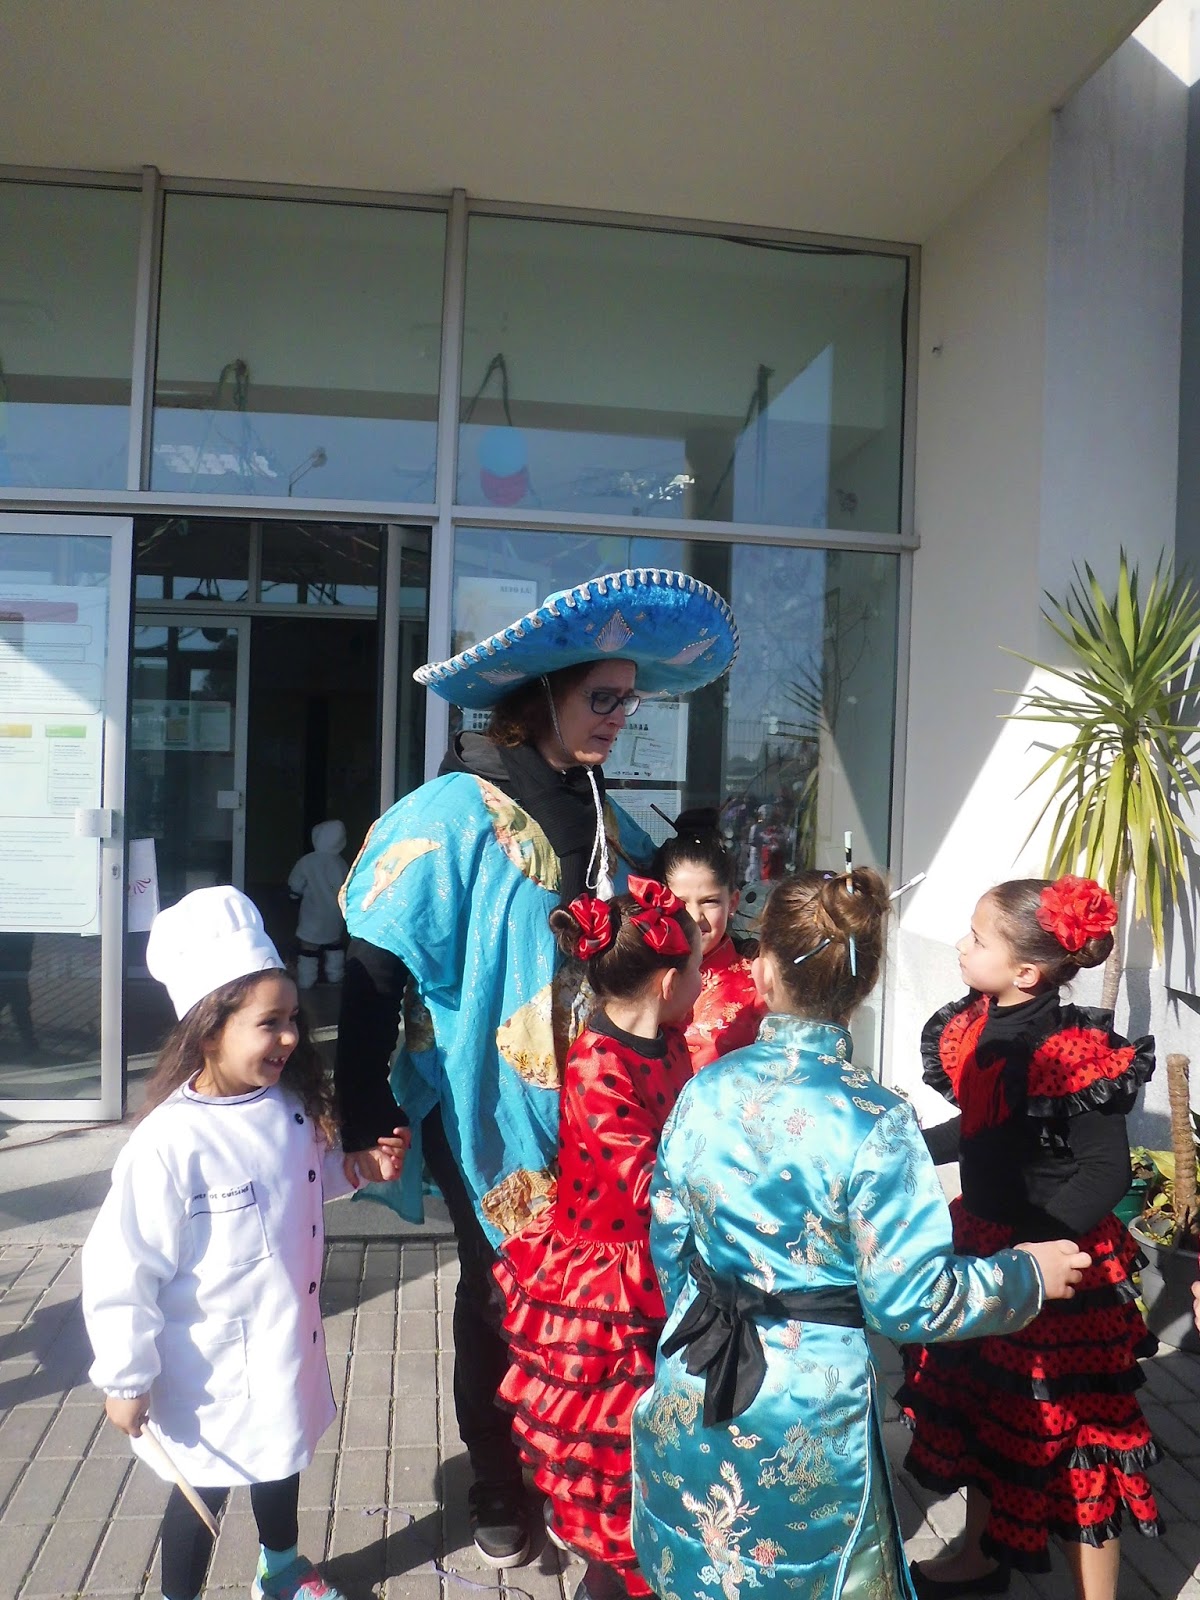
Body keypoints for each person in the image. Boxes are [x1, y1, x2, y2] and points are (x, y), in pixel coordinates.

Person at [334, 568, 739, 1566]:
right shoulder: (449, 811)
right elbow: (373, 961)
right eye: (603, 697)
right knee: (497, 1288)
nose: (619, 717)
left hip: (599, 1103)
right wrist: (365, 1104)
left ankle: (575, 1466)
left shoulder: (599, 807)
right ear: (543, 694)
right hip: (487, 1103)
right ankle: (497, 1477)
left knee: (585, 1295)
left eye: (628, 701)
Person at [630, 867, 1093, 1600]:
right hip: (808, 1405)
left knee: (705, 1566)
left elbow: (670, 1237)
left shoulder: (704, 1087)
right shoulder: (875, 1119)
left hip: (698, 1366)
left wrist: (698, 1322)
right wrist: (1025, 1274)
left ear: (763, 970)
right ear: (865, 984)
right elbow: (910, 1301)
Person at [82, 887, 406, 1600]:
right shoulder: (170, 1143)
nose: (290, 1037)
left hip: (284, 1345)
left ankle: (280, 1569)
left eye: (292, 1019)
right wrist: (126, 1377)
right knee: (201, 1490)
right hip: (208, 1368)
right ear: (209, 1033)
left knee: (281, 1459)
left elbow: (300, 1184)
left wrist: (358, 1168)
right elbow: (122, 1267)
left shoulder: (287, 1109)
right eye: (269, 1024)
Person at [900, 875, 1159, 1600]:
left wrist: (1038, 1254)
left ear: (1025, 972)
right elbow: (982, 1129)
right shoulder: (976, 1025)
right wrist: (905, 1147)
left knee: (1076, 1436)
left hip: (1057, 1261)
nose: (961, 945)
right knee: (989, 1411)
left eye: (978, 938)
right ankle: (981, 1558)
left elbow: (1106, 1170)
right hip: (991, 1250)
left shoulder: (1074, 1049)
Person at [494, 878, 702, 1600]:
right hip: (607, 1288)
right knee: (612, 1442)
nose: (705, 981)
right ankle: (612, 1578)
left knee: (658, 1433)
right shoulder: (596, 1063)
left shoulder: (670, 1043)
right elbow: (646, 1180)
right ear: (669, 983)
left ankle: (646, 1565)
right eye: (698, 969)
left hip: (659, 1263)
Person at [651, 808, 763, 1069]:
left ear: (732, 902)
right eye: (680, 903)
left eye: (710, 901)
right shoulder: (638, 977)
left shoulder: (760, 982)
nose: (694, 917)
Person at [287, 819, 350, 989]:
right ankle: (335, 976)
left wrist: (293, 896)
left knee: (309, 947)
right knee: (334, 945)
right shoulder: (341, 863)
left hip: (312, 913)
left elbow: (295, 884)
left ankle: (306, 980)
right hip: (335, 913)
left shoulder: (308, 861)